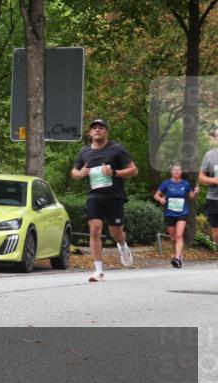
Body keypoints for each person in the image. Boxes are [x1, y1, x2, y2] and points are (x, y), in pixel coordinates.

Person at [70, 118, 138, 282]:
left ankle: (122, 245)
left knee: (116, 232)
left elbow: (134, 170)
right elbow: (74, 172)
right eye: (94, 128)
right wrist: (80, 174)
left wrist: (114, 172)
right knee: (95, 230)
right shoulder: (84, 151)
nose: (97, 130)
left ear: (106, 132)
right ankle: (98, 271)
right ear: (90, 133)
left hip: (114, 196)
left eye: (101, 128)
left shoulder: (116, 149)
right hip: (94, 195)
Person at [153, 163, 198, 268]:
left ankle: (177, 258)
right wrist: (160, 199)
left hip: (182, 213)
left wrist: (196, 192)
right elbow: (156, 195)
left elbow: (191, 196)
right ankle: (178, 255)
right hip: (169, 213)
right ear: (171, 172)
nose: (177, 171)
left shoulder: (185, 184)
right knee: (173, 238)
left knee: (179, 235)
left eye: (179, 170)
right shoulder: (166, 183)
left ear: (181, 172)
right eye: (175, 170)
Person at [199, 127, 218, 249]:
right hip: (214, 199)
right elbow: (201, 177)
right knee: (216, 233)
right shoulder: (210, 155)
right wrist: (213, 180)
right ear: (216, 138)